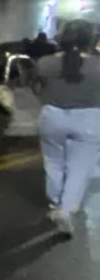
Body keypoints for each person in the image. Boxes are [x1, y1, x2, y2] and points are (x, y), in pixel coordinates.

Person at [36, 19, 100, 236]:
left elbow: (38, 88)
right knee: (79, 168)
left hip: (52, 116)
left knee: (53, 163)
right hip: (88, 118)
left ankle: (55, 205)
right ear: (90, 40)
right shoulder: (97, 65)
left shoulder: (45, 62)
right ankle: (66, 209)